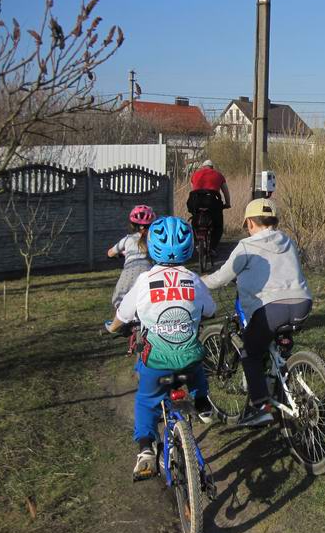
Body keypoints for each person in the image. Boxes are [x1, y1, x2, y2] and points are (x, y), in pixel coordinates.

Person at [105, 216, 217, 479]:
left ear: (151, 247)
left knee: (146, 399)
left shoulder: (144, 280)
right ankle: (202, 402)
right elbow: (211, 310)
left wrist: (112, 327)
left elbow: (123, 313)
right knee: (195, 361)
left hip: (156, 362)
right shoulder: (193, 279)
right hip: (188, 363)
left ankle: (145, 450)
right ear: (188, 248)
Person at [202, 198, 311, 427]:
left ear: (250, 222)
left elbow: (221, 277)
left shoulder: (246, 246)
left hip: (272, 309)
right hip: (302, 303)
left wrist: (199, 281)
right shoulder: (288, 241)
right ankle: (278, 378)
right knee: (274, 345)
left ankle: (261, 406)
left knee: (249, 353)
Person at [107, 205, 156, 308]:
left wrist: (118, 254)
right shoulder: (154, 240)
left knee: (119, 302)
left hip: (130, 271)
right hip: (149, 272)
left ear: (132, 225)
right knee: (149, 300)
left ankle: (119, 322)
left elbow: (110, 253)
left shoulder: (127, 239)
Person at [186, 159, 231, 251]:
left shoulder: (195, 175)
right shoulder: (218, 175)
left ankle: (197, 243)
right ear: (212, 168)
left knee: (195, 220)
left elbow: (193, 189)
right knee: (218, 225)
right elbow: (225, 191)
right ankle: (212, 248)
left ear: (202, 167)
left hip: (196, 202)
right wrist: (227, 203)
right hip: (212, 202)